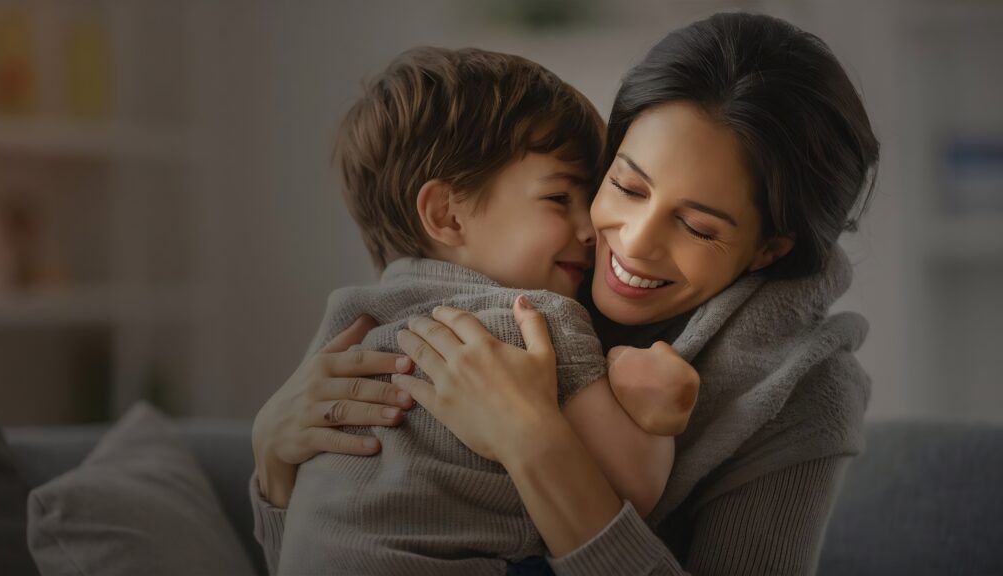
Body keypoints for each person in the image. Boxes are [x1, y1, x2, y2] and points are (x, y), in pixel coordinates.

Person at [252, 12, 879, 575]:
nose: (630, 244)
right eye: (627, 188)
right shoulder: (535, 290)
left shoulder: (804, 392)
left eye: (697, 226)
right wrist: (276, 470)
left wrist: (534, 443)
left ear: (771, 246)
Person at [272, 47, 698, 576]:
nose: (590, 230)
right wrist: (658, 412)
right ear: (446, 215)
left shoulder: (350, 319)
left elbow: (305, 528)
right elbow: (634, 486)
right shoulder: (535, 321)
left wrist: (269, 477)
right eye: (559, 198)